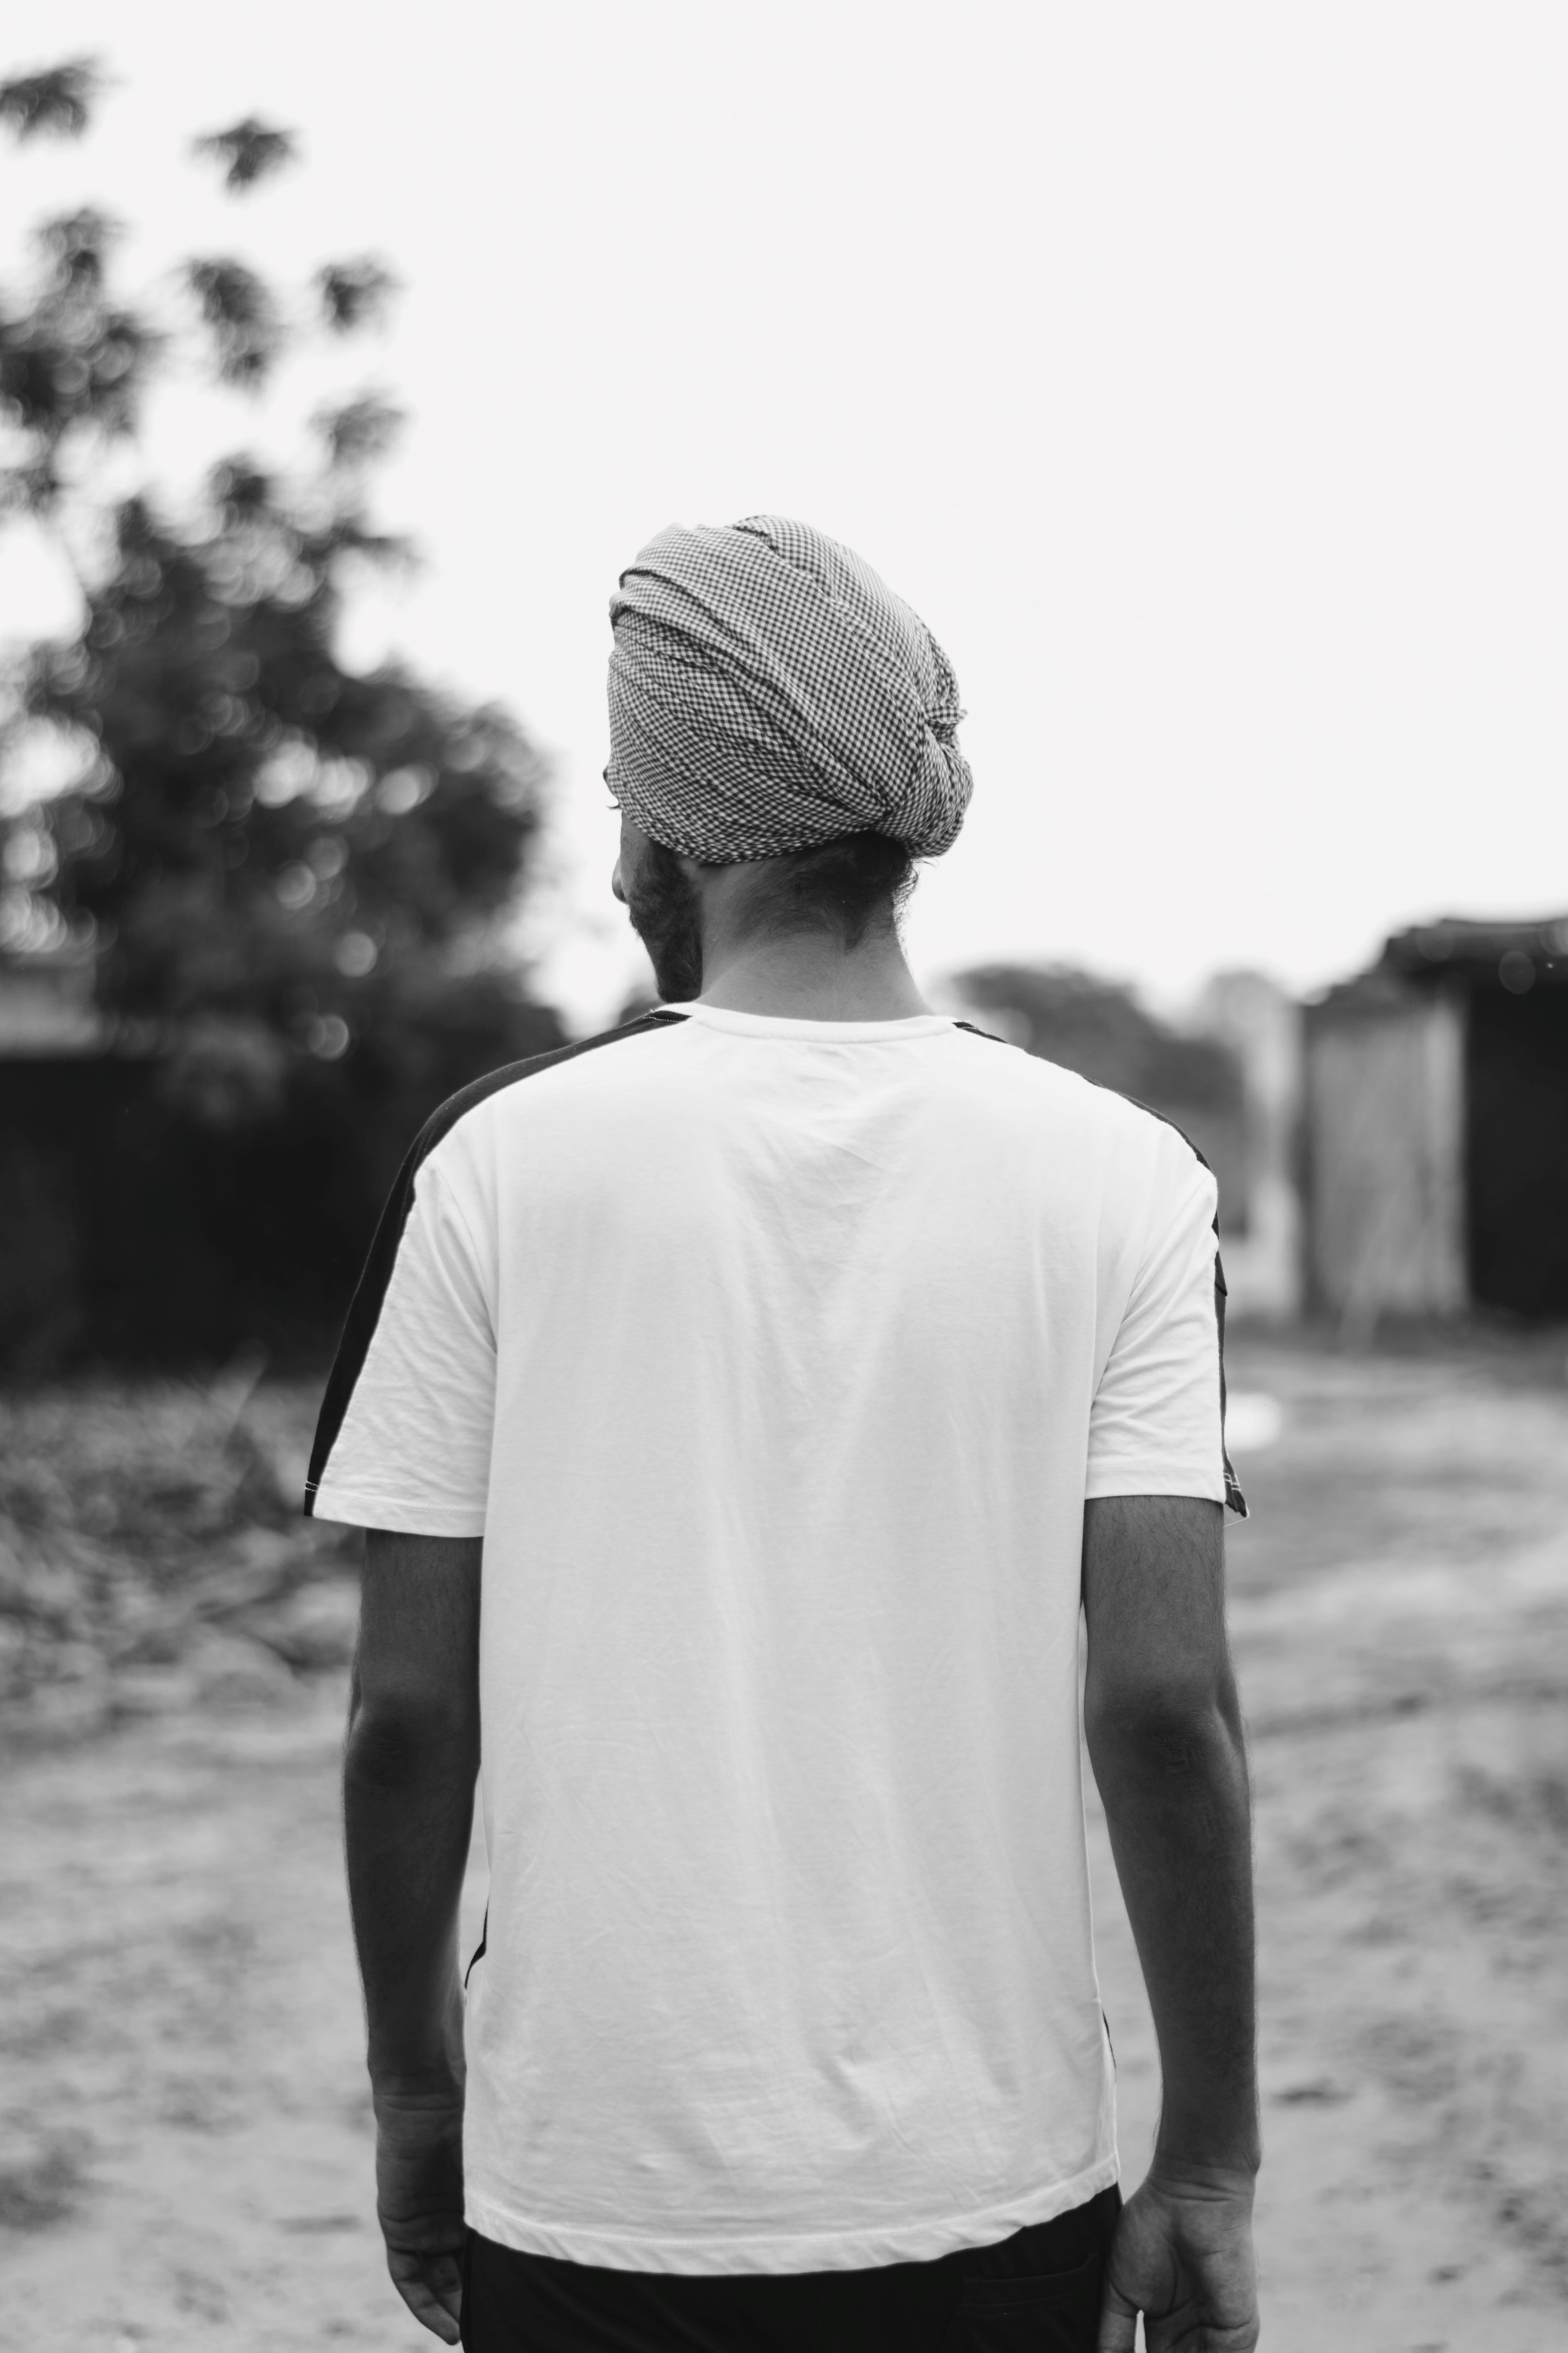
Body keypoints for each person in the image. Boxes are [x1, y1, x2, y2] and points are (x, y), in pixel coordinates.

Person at [309, 515, 1261, 2353]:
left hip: (591, 2195)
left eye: (615, 794)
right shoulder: (1129, 1183)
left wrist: (419, 2098)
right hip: (988, 2200)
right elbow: (1163, 1704)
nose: (608, 852)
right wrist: (1206, 2161)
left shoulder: (495, 1165)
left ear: (669, 825)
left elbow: (407, 1717)